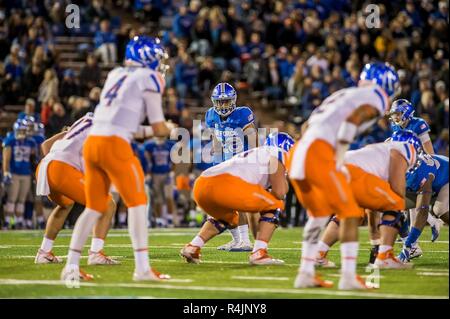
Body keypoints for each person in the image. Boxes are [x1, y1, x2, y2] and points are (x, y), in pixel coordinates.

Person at [60, 36, 173, 283]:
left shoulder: (116, 74)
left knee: (93, 207)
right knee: (138, 202)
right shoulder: (150, 77)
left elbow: (127, 124)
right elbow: (158, 125)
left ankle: (71, 265)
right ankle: (142, 268)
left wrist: (155, 130)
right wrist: (170, 129)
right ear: (148, 57)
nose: (160, 64)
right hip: (114, 145)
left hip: (93, 144)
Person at [288, 62, 400, 290]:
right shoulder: (376, 95)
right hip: (319, 151)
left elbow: (308, 123)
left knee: (318, 215)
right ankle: (348, 277)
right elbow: (353, 120)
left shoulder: (344, 93)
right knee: (350, 212)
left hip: (299, 151)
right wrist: (338, 156)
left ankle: (305, 273)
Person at [181, 132, 294, 265]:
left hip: (202, 184)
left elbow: (254, 208)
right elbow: (279, 192)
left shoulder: (256, 153)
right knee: (276, 204)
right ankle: (259, 253)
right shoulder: (278, 152)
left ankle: (193, 246)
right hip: (229, 183)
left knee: (229, 218)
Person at [315, 133, 422, 270]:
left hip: (333, 172)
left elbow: (372, 205)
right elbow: (397, 190)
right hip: (351, 173)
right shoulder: (405, 149)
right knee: (396, 202)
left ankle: (318, 254)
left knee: (351, 214)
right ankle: (385, 256)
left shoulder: (380, 150)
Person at [35, 113, 118, 267]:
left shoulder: (78, 125)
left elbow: (45, 145)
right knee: (107, 203)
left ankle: (44, 252)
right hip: (61, 168)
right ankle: (96, 254)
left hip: (44, 168)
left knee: (66, 204)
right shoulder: (102, 129)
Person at [205, 82, 258, 252]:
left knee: (236, 201)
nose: (222, 105)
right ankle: (237, 240)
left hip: (240, 162)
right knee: (221, 202)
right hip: (223, 162)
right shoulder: (211, 115)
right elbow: (215, 135)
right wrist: (215, 149)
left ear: (233, 100)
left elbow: (252, 136)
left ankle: (245, 240)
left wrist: (255, 156)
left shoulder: (242, 114)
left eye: (226, 101)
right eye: (219, 102)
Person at [388, 99, 443, 241]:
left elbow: (429, 150)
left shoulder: (418, 124)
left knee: (411, 199)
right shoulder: (396, 127)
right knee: (408, 200)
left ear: (406, 113)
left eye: (398, 113)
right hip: (407, 165)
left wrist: (428, 168)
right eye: (394, 114)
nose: (395, 117)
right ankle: (426, 228)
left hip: (421, 165)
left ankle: (414, 240)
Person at [398, 152, 448, 262]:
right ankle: (412, 247)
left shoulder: (419, 172)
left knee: (441, 210)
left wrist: (407, 246)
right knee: (393, 205)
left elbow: (422, 212)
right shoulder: (397, 164)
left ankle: (408, 246)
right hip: (434, 175)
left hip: (446, 177)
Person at [2, 120, 37, 229]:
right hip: (15, 173)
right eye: (21, 130)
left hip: (26, 173)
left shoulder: (30, 141)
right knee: (12, 199)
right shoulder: (10, 140)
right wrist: (6, 172)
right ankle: (8, 222)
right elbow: (6, 158)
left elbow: (33, 157)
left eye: (24, 130)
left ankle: (18, 221)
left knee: (22, 200)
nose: (22, 132)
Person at [143, 137, 178, 226]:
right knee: (158, 198)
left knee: (169, 196)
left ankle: (169, 219)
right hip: (155, 174)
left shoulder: (170, 144)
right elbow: (148, 161)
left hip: (167, 172)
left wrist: (172, 172)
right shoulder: (150, 145)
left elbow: (174, 160)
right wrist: (149, 174)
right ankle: (159, 220)